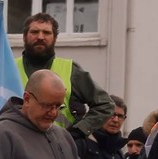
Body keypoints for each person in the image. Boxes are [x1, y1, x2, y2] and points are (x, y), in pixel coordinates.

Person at [17, 12, 114, 140]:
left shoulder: (71, 70)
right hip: (16, 146)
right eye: (34, 32)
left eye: (46, 33)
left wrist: (79, 130)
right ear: (24, 36)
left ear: (55, 38)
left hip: (56, 148)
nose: (40, 37)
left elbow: (106, 105)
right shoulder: (6, 68)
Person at [80, 95, 129, 159]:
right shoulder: (82, 143)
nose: (115, 120)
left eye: (120, 116)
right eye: (111, 114)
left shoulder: (118, 150)